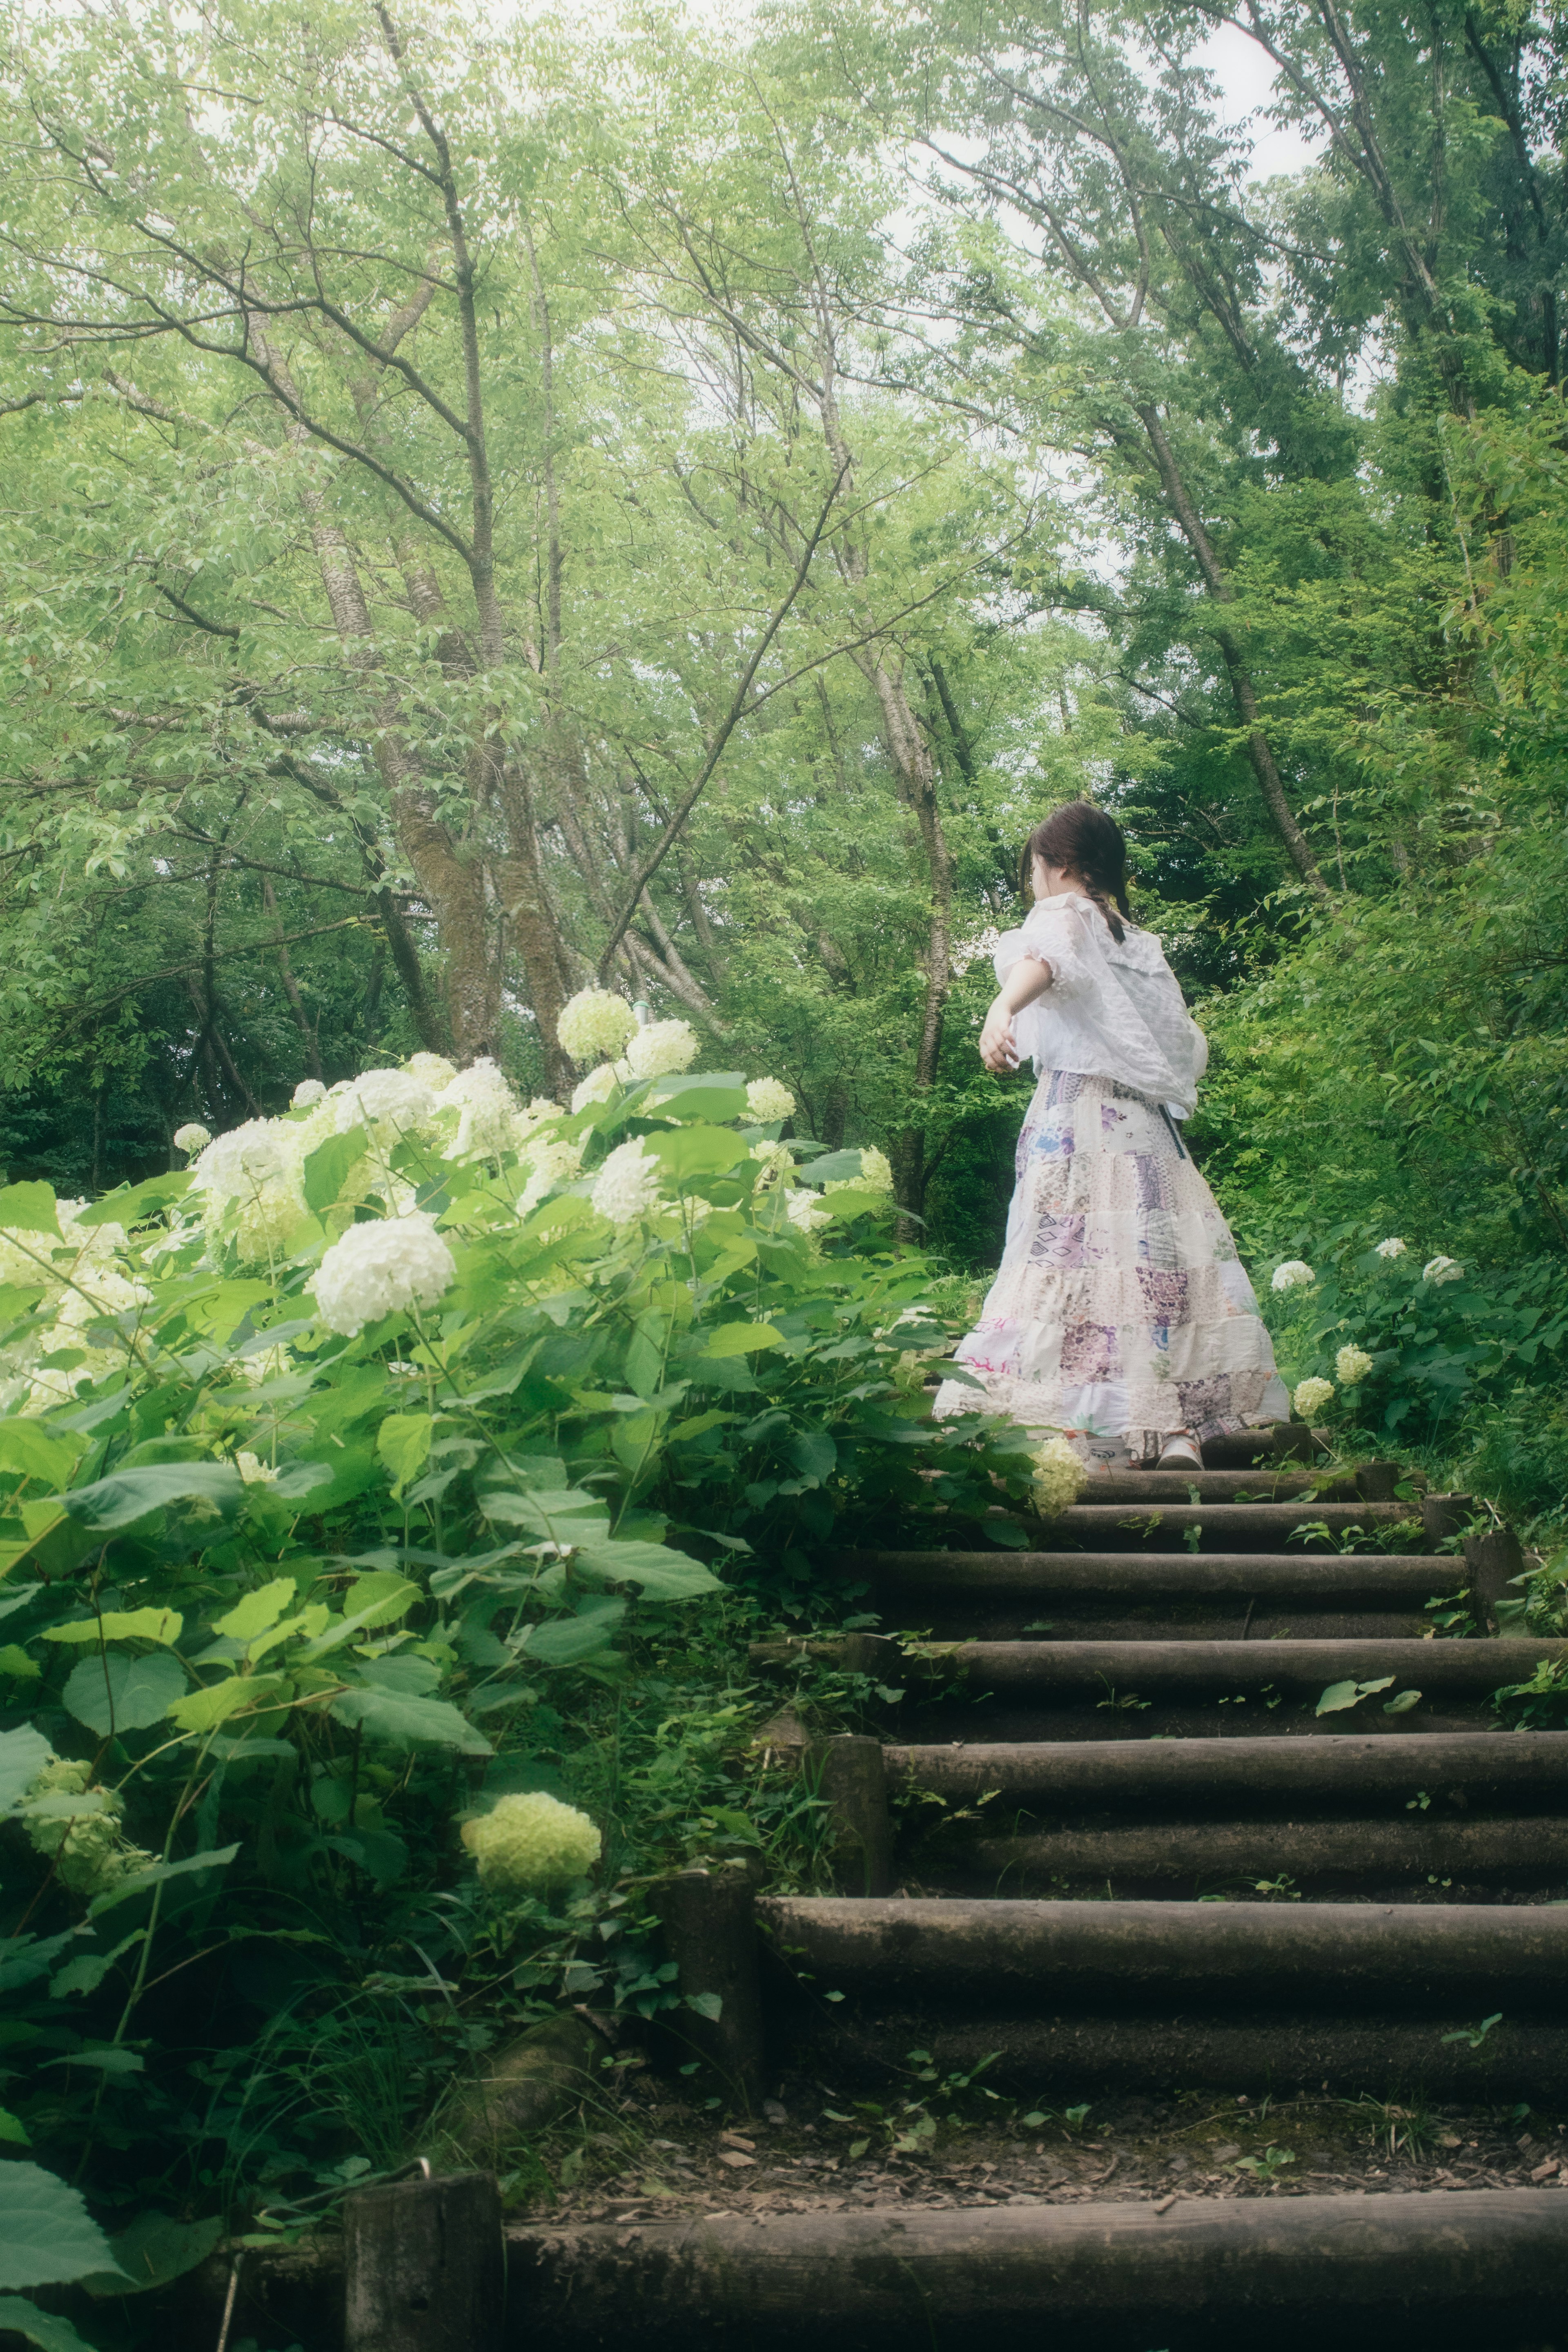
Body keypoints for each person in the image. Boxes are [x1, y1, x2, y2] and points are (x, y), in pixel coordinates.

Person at [934, 801, 1288, 1473]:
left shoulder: (1065, 915)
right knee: (1158, 1272)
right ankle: (1178, 1433)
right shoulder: (1138, 943)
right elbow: (1186, 1043)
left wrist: (1000, 1010)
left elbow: (1047, 958)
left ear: (1061, 865)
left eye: (1035, 867)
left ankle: (1083, 1438)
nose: (1033, 881)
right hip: (1147, 1129)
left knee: (1072, 1266)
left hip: (1081, 1119)